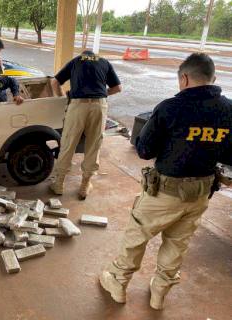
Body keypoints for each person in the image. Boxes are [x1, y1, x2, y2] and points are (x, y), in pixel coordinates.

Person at [99, 53, 232, 310]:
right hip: (200, 193)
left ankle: (118, 283)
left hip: (165, 193)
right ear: (212, 78)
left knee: (137, 235)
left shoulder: (170, 108)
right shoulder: (229, 110)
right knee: (177, 243)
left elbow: (145, 150)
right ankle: (159, 292)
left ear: (184, 78)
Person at [50, 50, 122, 199]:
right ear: (94, 55)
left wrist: (62, 98)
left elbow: (55, 81)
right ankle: (84, 185)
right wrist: (101, 93)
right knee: (93, 145)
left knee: (68, 143)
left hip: (78, 105)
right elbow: (117, 88)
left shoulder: (76, 61)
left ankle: (59, 184)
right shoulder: (104, 62)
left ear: (84, 55)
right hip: (98, 107)